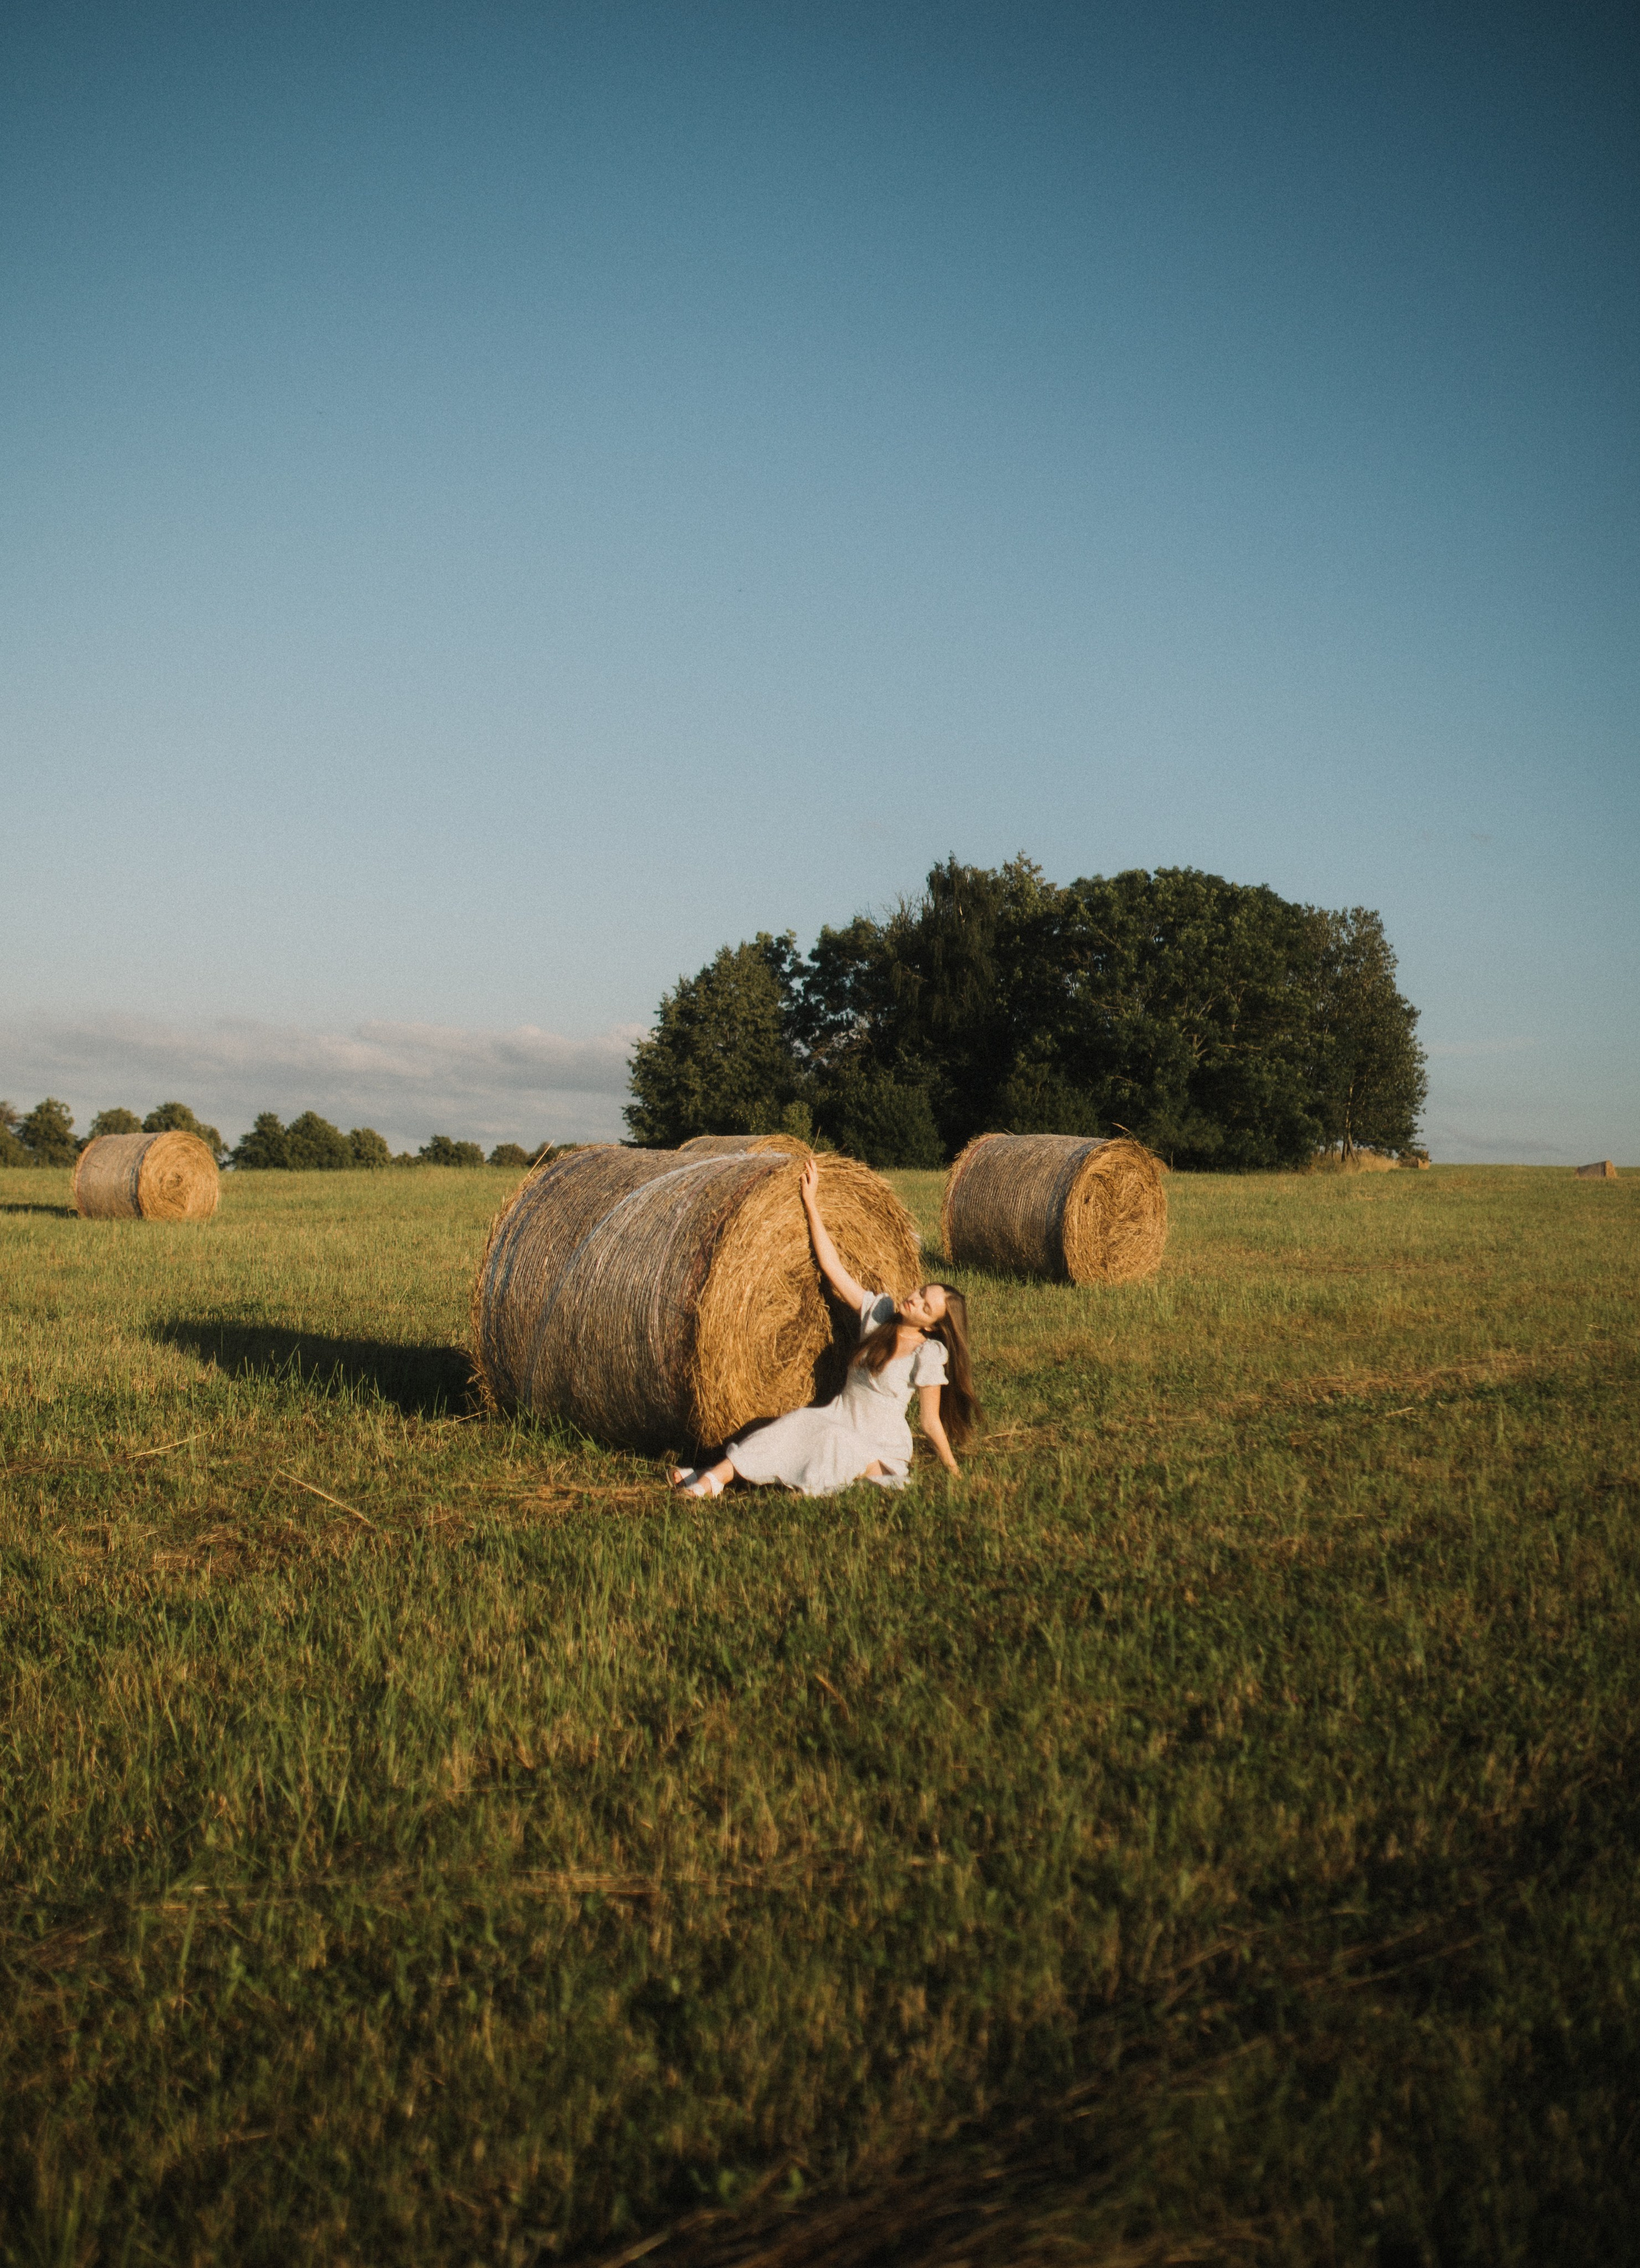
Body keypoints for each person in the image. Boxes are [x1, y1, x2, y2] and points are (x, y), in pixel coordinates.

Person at [670, 1156, 977, 1498]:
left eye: (925, 1307)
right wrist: (812, 1204)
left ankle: (707, 1478)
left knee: (826, 1444)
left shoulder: (928, 1353)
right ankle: (712, 1479)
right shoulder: (880, 1316)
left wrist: (953, 1471)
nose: (915, 1300)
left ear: (933, 1327)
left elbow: (929, 1422)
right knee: (791, 1428)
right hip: (837, 1418)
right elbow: (833, 1268)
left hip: (877, 1449)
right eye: (921, 1292)